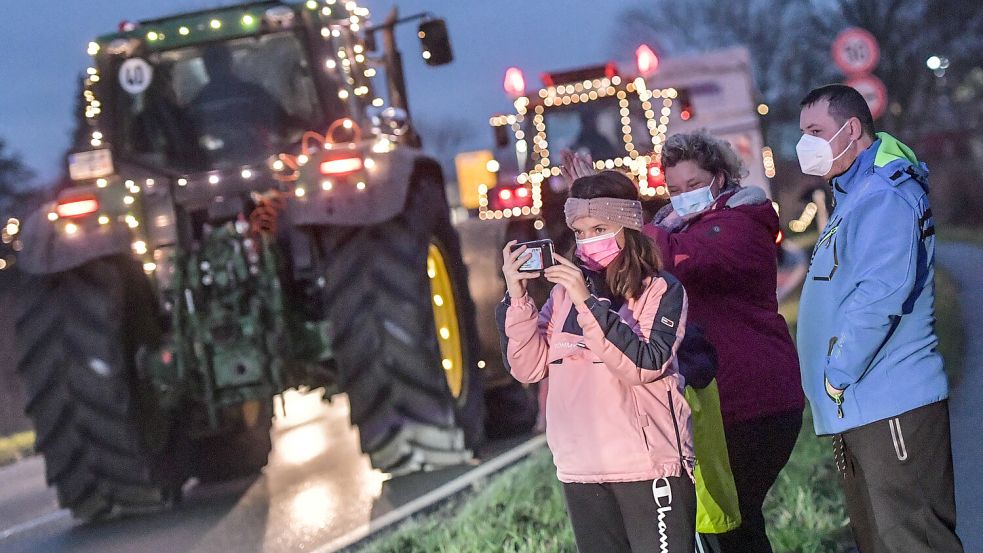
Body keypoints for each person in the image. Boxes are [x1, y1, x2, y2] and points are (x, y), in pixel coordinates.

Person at [796, 84, 962, 553]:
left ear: (851, 130)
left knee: (913, 542)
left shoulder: (883, 195)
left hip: (889, 404)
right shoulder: (853, 195)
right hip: (863, 407)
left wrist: (836, 374)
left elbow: (879, 294)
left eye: (814, 131)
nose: (803, 144)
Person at [498, 171, 696, 552]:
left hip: (648, 467)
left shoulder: (661, 289)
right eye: (580, 232)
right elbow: (528, 367)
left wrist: (587, 303)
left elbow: (645, 364)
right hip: (581, 471)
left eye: (599, 228)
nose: (589, 241)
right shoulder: (561, 295)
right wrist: (517, 297)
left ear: (628, 226)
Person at [642, 132, 804, 553]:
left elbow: (679, 255)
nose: (682, 198)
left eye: (693, 186)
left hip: (754, 402)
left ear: (720, 178)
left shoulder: (741, 223)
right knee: (733, 526)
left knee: (729, 526)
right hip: (717, 404)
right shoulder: (680, 226)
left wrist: (616, 220)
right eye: (673, 190)